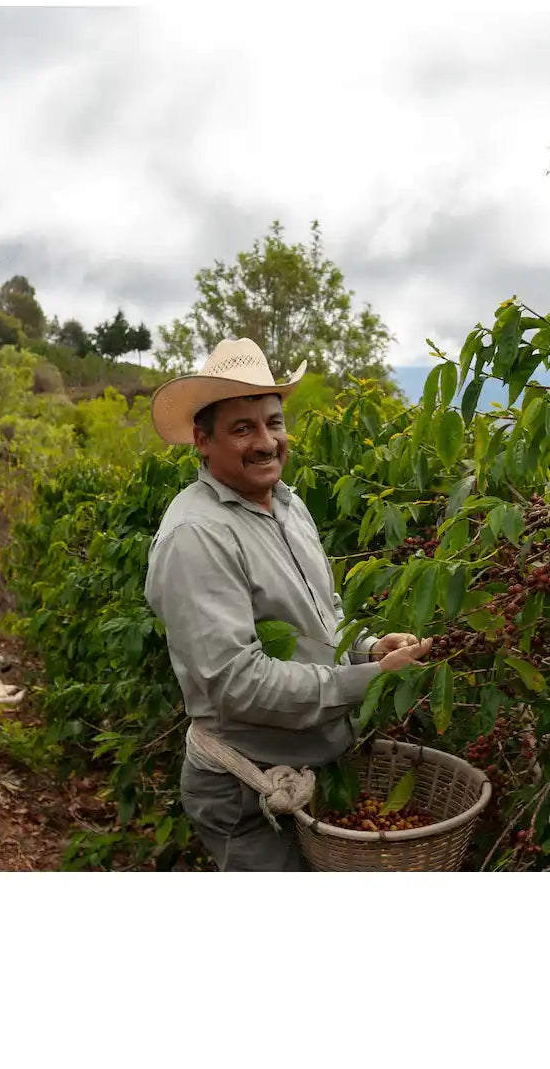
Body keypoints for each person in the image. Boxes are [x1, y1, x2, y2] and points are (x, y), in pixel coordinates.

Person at [144, 337, 431, 871]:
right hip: (246, 792)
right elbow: (235, 683)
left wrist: (368, 649)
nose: (265, 442)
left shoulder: (289, 506)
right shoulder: (197, 536)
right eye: (242, 428)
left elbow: (326, 613)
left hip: (316, 769)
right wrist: (366, 682)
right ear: (202, 442)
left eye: (273, 423)